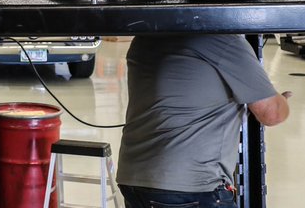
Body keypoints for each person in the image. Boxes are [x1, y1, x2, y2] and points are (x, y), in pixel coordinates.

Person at [116, 34, 291, 208]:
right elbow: (271, 113)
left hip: (134, 179)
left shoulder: (144, 38)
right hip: (191, 186)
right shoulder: (224, 41)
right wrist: (281, 101)